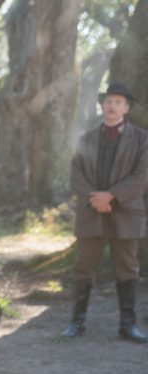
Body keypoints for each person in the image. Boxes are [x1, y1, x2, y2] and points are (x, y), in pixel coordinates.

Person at [63, 82, 148, 343]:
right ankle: (76, 323)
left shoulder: (142, 138)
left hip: (126, 211)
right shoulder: (86, 139)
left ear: (127, 108)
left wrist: (111, 196)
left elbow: (142, 175)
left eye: (118, 102)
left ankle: (128, 325)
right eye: (109, 101)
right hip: (91, 211)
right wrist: (94, 198)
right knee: (83, 266)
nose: (112, 106)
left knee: (127, 267)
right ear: (103, 105)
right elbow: (75, 174)